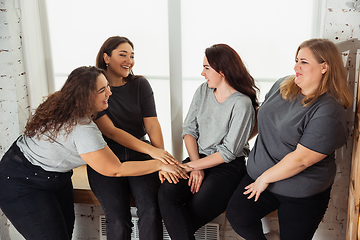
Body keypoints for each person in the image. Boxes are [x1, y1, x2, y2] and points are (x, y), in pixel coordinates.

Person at [0, 66, 189, 240]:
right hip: (21, 182)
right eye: (102, 90)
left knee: (64, 233)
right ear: (85, 95)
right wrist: (158, 164)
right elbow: (115, 169)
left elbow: (114, 132)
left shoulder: (66, 101)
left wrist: (156, 152)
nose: (110, 93)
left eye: (107, 86)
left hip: (56, 177)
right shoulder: (82, 128)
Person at [226, 38, 352, 240]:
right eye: (296, 60)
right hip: (260, 176)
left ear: (324, 67)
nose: (296, 67)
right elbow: (262, 117)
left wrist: (264, 179)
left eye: (304, 61)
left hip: (301, 191)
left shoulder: (328, 110)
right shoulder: (282, 85)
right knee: (238, 217)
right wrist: (234, 143)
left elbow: (301, 159)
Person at [158, 43, 259, 240]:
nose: (202, 73)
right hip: (198, 157)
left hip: (228, 166)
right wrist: (195, 166)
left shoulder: (242, 103)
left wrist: (192, 166)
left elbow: (228, 152)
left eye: (206, 68)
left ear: (222, 70)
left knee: (190, 214)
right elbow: (189, 130)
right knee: (166, 194)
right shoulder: (203, 91)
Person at [86, 36, 179, 240]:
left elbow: (152, 123)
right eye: (122, 54)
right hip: (106, 154)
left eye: (132, 55)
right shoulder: (95, 89)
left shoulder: (140, 84)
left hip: (140, 152)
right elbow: (110, 131)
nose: (129, 60)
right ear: (106, 57)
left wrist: (159, 157)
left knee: (151, 211)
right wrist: (153, 153)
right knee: (118, 219)